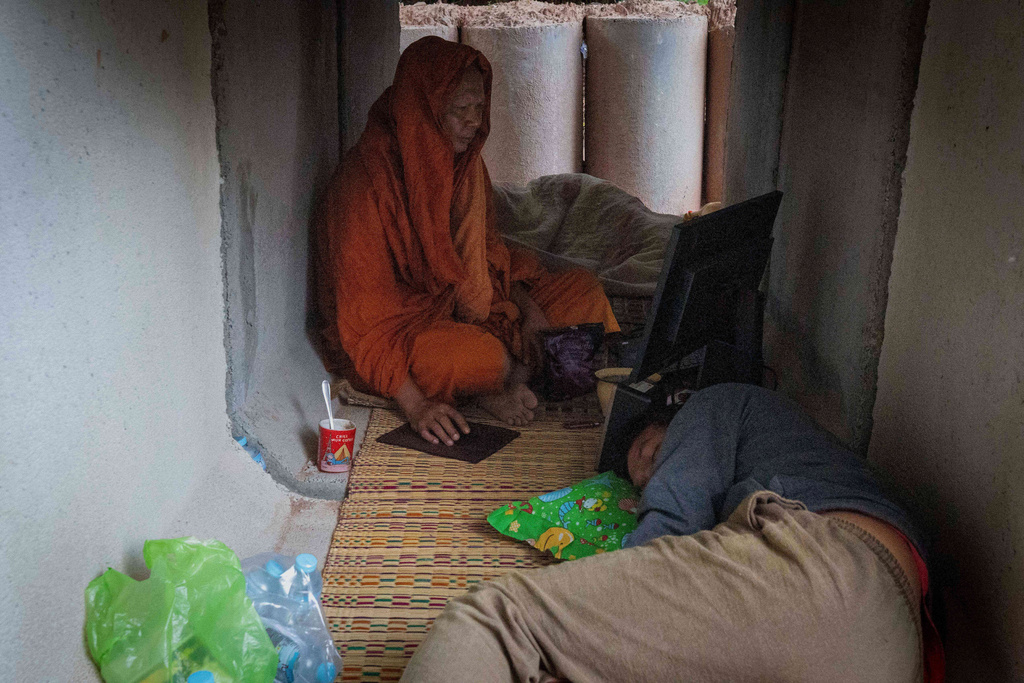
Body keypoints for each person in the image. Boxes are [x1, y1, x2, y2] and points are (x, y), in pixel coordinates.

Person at [400, 383, 944, 682]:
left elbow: (670, 524)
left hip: (827, 573)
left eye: (649, 451)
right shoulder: (800, 444)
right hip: (895, 645)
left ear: (669, 421)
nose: (653, 467)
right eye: (643, 477)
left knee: (498, 620)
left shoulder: (714, 404)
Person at [314, 37, 619, 446]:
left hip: (474, 311)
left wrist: (530, 313)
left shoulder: (466, 168)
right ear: (423, 110)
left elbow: (492, 259)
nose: (475, 122)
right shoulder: (360, 187)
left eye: (479, 108)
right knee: (479, 359)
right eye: (460, 110)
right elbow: (365, 328)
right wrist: (417, 407)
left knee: (583, 292)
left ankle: (510, 378)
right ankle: (502, 380)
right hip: (408, 334)